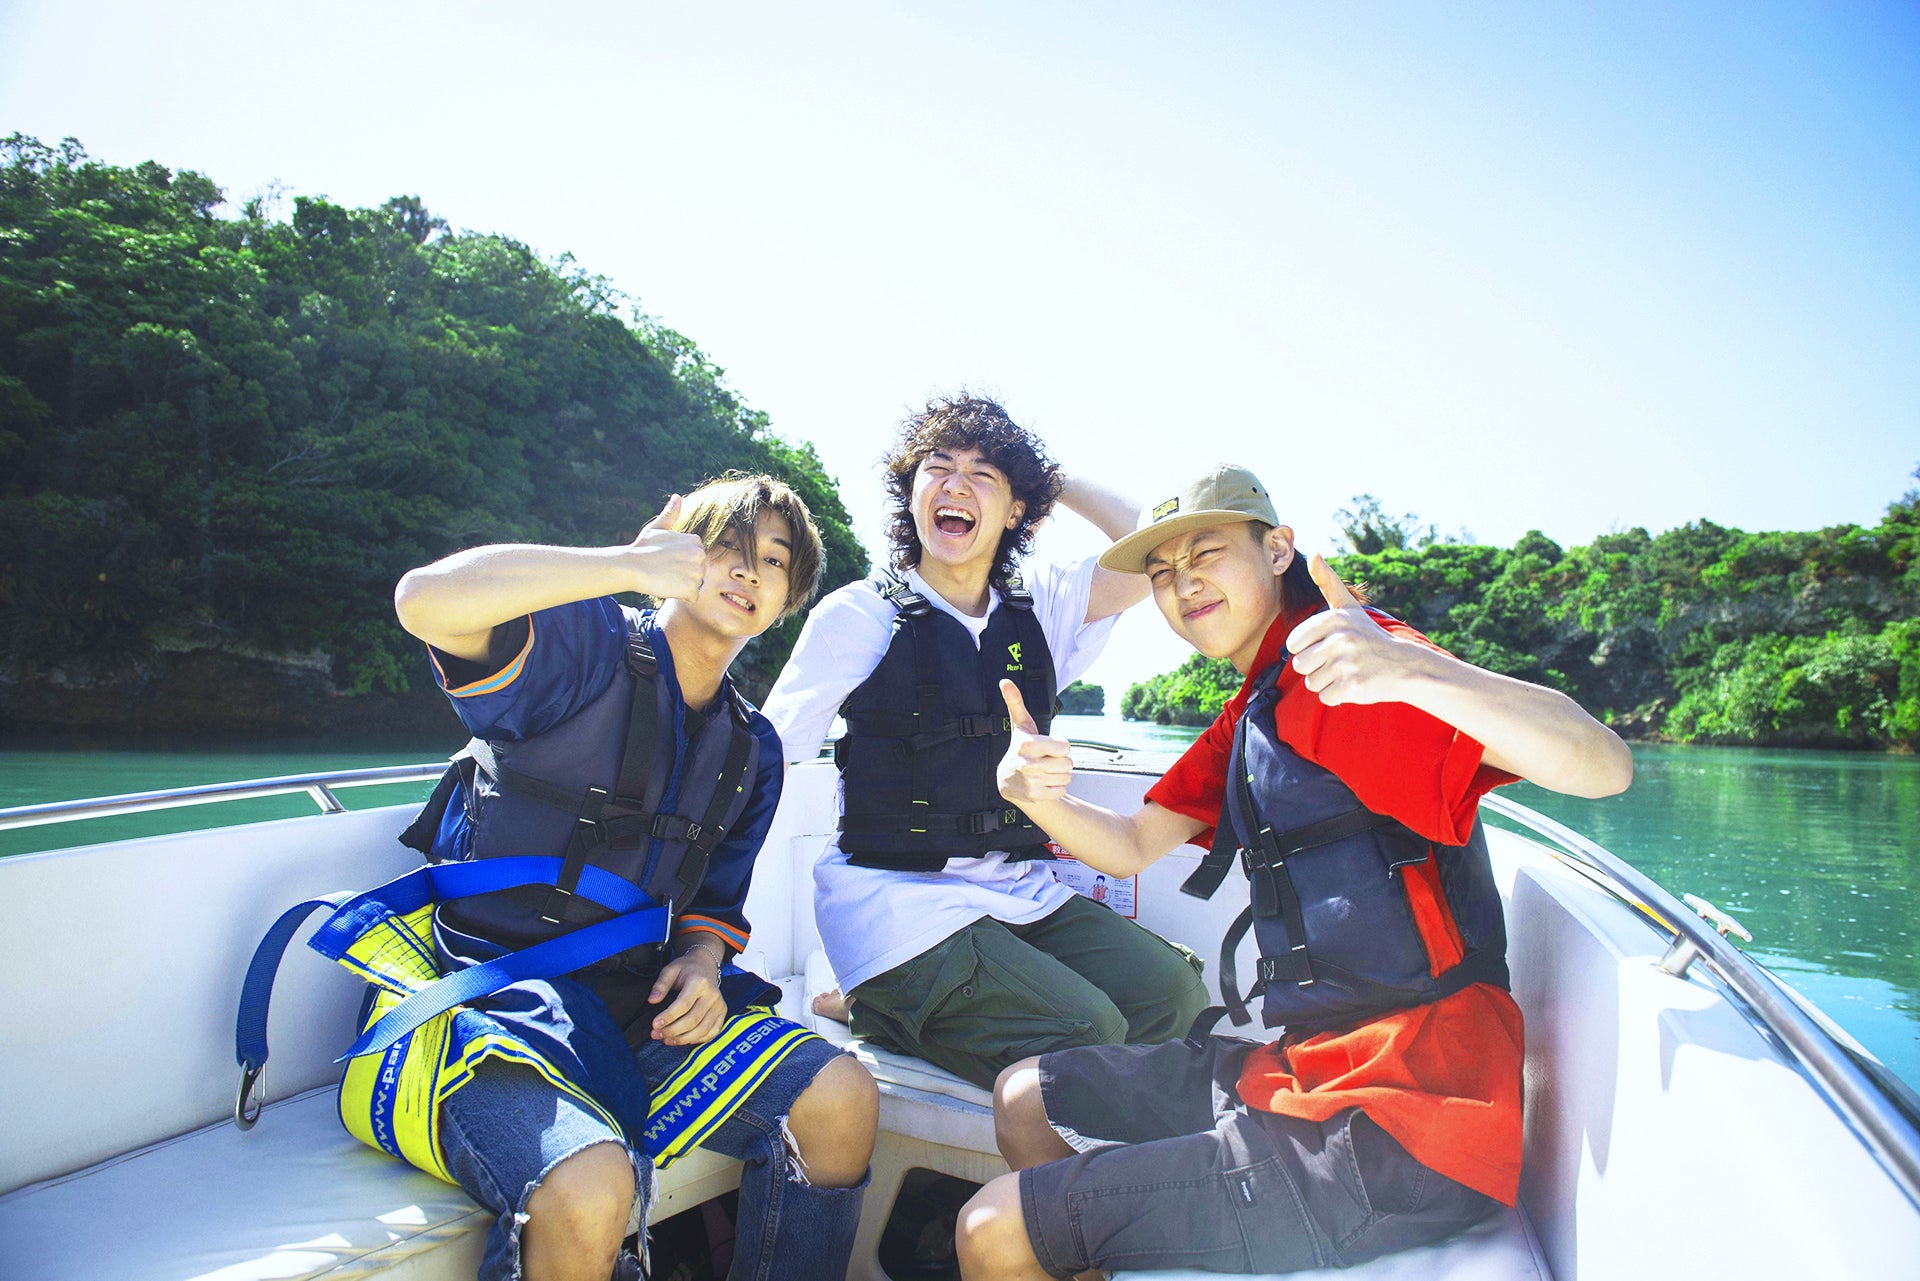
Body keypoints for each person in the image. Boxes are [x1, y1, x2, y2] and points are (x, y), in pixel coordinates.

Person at [957, 463, 1634, 1278]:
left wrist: (1413, 669)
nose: (1183, 583)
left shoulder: (1362, 666)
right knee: (1025, 1096)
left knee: (991, 1228)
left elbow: (1604, 763)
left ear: (1278, 550)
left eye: (1206, 553)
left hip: (1407, 1125)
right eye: (1163, 572)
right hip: (1307, 1067)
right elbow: (1134, 842)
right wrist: (1035, 796)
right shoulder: (1258, 707)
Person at [385, 473, 878, 1281]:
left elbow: (713, 902)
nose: (746, 570)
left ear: (788, 600)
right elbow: (423, 601)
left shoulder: (752, 750)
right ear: (679, 555)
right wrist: (623, 564)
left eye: (773, 560)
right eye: (725, 545)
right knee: (589, 1185)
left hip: (633, 1005)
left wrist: (702, 962)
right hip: (488, 1000)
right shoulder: (583, 648)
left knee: (841, 1098)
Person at [763, 394, 1208, 1088]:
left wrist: (1048, 479)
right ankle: (878, 1006)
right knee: (1089, 1031)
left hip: (1017, 891)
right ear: (911, 492)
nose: (956, 485)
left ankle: (926, 1015)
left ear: (1016, 511)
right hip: (894, 905)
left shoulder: (1044, 605)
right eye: (938, 467)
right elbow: (768, 756)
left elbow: (1154, 545)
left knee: (1174, 995)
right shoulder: (858, 615)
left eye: (983, 475)